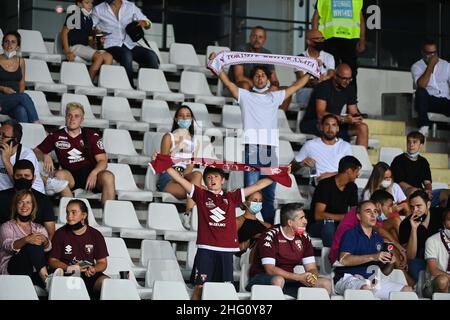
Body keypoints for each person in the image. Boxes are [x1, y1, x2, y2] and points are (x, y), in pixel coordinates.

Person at [210, 52, 310, 223]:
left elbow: (296, 86)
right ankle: (249, 226)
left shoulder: (275, 96)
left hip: (270, 150)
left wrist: (311, 70)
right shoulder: (245, 96)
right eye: (256, 75)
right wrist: (216, 65)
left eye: (263, 75)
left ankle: (269, 227)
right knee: (251, 192)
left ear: (268, 80)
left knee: (269, 193)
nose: (260, 78)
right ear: (252, 80)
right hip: (252, 148)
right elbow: (227, 82)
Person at [164, 165, 281, 300]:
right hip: (206, 250)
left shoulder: (232, 196)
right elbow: (179, 178)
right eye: (208, 177)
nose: (212, 179)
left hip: (226, 251)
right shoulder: (200, 194)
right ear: (205, 181)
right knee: (200, 287)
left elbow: (258, 185)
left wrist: (280, 174)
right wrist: (164, 163)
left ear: (223, 180)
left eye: (216, 177)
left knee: (224, 289)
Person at [34, 102, 115, 205]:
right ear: (65, 118)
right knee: (59, 175)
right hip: (70, 175)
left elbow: (103, 161)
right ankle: (72, 213)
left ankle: (110, 214)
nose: (72, 119)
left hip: (91, 174)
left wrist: (94, 173)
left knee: (108, 176)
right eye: (69, 115)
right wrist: (45, 155)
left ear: (82, 119)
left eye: (76, 116)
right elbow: (35, 151)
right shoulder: (55, 136)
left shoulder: (91, 135)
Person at [246, 203, 332, 298]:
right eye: (301, 218)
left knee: (325, 283)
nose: (306, 221)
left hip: (289, 279)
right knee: (278, 280)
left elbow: (312, 268)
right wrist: (299, 277)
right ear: (290, 222)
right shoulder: (270, 235)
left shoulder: (304, 237)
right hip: (262, 278)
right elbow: (270, 270)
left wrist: (312, 277)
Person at [334, 200, 413, 300]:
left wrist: (390, 263)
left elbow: (386, 272)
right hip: (347, 278)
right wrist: (373, 256)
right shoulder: (350, 234)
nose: (373, 215)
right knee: (365, 289)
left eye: (375, 211)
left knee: (407, 291)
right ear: (359, 216)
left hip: (372, 281)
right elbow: (344, 260)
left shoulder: (378, 238)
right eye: (368, 211)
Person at [48, 199, 109, 297]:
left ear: (84, 215)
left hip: (88, 274)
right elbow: (52, 261)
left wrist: (94, 269)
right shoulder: (60, 233)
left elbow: (103, 263)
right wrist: (69, 268)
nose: (69, 216)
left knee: (107, 284)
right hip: (66, 275)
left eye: (73, 212)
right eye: (67, 212)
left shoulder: (95, 234)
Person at [92, 0, 159, 85]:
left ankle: (149, 86)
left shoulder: (130, 6)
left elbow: (148, 23)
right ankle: (128, 86)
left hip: (129, 44)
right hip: (110, 44)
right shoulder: (98, 9)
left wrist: (144, 23)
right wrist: (97, 32)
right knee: (126, 54)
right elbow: (90, 27)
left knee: (151, 55)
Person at [300, 64, 368, 147]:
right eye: (344, 78)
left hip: (335, 123)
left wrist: (356, 119)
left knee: (362, 127)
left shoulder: (350, 89)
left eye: (349, 79)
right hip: (314, 122)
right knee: (330, 124)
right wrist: (344, 119)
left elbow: (353, 111)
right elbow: (320, 114)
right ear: (335, 76)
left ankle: (360, 159)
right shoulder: (323, 87)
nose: (347, 82)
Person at [157, 105, 203, 228]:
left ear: (191, 119)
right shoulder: (168, 137)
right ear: (176, 119)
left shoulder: (195, 142)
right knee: (199, 192)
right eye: (181, 116)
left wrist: (182, 177)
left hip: (183, 176)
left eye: (188, 116)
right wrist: (177, 177)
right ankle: (190, 214)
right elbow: (164, 163)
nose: (184, 118)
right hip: (168, 178)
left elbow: (190, 167)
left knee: (198, 174)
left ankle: (188, 213)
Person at [228, 26, 292, 111]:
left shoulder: (267, 54)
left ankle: (278, 118)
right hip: (241, 87)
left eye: (260, 37)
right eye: (254, 36)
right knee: (244, 85)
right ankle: (248, 114)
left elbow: (275, 80)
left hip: (261, 88)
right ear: (250, 37)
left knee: (286, 90)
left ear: (264, 40)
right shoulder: (240, 50)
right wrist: (258, 88)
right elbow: (239, 77)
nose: (257, 39)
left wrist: (272, 86)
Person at [0, 190, 52, 287]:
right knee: (32, 245)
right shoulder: (6, 226)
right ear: (16, 206)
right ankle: (47, 281)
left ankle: (45, 281)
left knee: (36, 245)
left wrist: (45, 241)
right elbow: (7, 246)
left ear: (33, 206)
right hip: (12, 269)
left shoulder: (39, 227)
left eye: (28, 202)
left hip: (33, 270)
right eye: (21, 202)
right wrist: (26, 239)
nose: (24, 206)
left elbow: (47, 248)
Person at [312, 0, 366, 91]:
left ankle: (351, 102)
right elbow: (316, 17)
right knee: (330, 70)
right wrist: (315, 37)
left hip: (350, 39)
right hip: (329, 38)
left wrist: (362, 40)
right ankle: (328, 99)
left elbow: (361, 19)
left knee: (350, 72)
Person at [307, 155, 360, 247]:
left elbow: (353, 212)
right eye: (357, 171)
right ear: (349, 171)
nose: (358, 175)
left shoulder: (352, 187)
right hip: (318, 225)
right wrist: (343, 217)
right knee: (329, 225)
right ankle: (332, 258)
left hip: (339, 225)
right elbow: (318, 215)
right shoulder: (325, 185)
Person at [390, 131, 449, 208]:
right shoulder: (398, 160)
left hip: (421, 193)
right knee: (413, 192)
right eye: (409, 142)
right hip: (404, 193)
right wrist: (417, 190)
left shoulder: (423, 161)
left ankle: (438, 216)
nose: (411, 144)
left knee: (447, 194)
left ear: (421, 145)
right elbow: (399, 182)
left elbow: (427, 182)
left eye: (414, 142)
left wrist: (428, 191)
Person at [0, 160, 56, 240]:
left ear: (33, 178)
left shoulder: (44, 200)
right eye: (19, 176)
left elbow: (50, 233)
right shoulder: (1, 197)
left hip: (35, 246)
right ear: (13, 177)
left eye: (26, 176)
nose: (23, 178)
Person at [61, 0, 113, 80]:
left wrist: (95, 44)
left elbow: (89, 38)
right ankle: (89, 82)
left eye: (91, 3)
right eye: (86, 3)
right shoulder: (75, 15)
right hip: (74, 46)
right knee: (99, 57)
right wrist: (67, 51)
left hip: (84, 47)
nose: (90, 5)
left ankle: (102, 83)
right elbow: (64, 33)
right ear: (79, 4)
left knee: (108, 56)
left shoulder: (89, 19)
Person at [291, 114, 352, 181]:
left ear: (338, 128)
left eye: (333, 125)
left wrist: (330, 175)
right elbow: (290, 168)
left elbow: (351, 173)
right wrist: (300, 164)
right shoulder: (310, 145)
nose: (330, 128)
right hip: (319, 185)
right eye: (327, 125)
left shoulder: (345, 146)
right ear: (321, 127)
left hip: (340, 184)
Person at [411, 39, 450, 137]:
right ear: (422, 53)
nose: (432, 56)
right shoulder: (416, 66)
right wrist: (430, 66)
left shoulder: (446, 65)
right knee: (420, 91)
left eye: (434, 53)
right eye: (428, 53)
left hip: (445, 101)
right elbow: (421, 85)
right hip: (430, 101)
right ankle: (424, 125)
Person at [0, 31, 39, 123]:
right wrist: (3, 88)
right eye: (6, 41)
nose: (9, 45)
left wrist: (17, 97)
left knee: (21, 111)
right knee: (23, 97)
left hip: (15, 100)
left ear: (17, 46)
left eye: (13, 42)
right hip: (1, 100)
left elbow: (22, 83)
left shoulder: (21, 61)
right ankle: (38, 125)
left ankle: (25, 136)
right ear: (2, 44)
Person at [0, 120, 46, 193]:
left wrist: (6, 160)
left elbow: (22, 185)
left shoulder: (27, 155)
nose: (0, 138)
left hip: (29, 196)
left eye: (3, 137)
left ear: (15, 140)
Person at [399, 190, 434, 283]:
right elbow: (410, 256)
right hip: (420, 259)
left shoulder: (439, 216)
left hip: (440, 257)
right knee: (413, 264)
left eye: (418, 206)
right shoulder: (405, 224)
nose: (415, 210)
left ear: (428, 205)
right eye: (412, 207)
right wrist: (414, 229)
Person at [294, 29, 335, 108]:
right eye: (317, 39)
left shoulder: (329, 57)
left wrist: (322, 80)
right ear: (308, 41)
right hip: (306, 91)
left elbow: (331, 74)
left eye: (322, 38)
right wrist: (320, 80)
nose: (321, 41)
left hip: (325, 90)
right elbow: (302, 80)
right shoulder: (299, 58)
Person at [423, 208, 450, 298]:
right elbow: (434, 271)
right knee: (443, 281)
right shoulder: (432, 241)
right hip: (434, 283)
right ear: (443, 223)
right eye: (449, 220)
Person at [236, 191, 271, 255]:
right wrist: (249, 242)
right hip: (245, 258)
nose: (258, 203)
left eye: (260, 201)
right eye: (255, 201)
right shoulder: (237, 221)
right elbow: (228, 246)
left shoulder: (267, 225)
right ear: (245, 202)